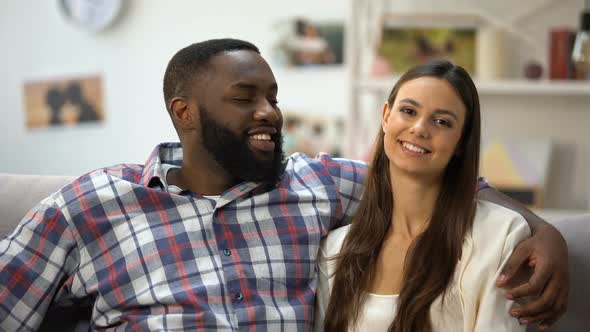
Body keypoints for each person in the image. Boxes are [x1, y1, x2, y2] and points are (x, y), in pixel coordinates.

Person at [0, 39, 567, 331]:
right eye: (245, 99)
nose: (270, 112)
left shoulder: (316, 184)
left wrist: (544, 232)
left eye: (272, 96)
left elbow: (445, 178)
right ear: (185, 113)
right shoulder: (91, 205)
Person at [314, 60, 554, 332]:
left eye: (441, 121)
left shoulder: (501, 235)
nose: (419, 128)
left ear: (462, 142)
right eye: (408, 111)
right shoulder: (335, 250)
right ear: (386, 117)